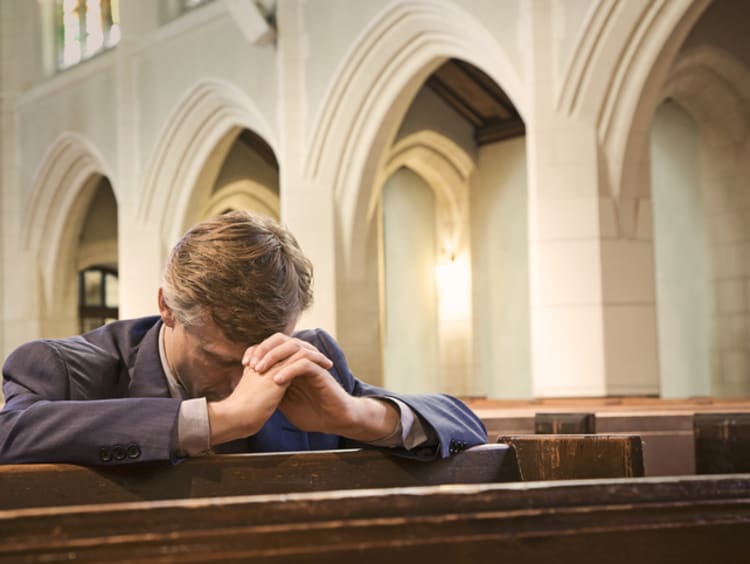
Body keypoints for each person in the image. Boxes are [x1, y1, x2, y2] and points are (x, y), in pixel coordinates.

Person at [0, 211, 486, 465]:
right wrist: (219, 420)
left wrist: (355, 414)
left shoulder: (303, 359)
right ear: (167, 307)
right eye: (222, 358)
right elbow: (9, 435)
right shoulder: (64, 369)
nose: (248, 379)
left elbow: (465, 426)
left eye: (260, 355)